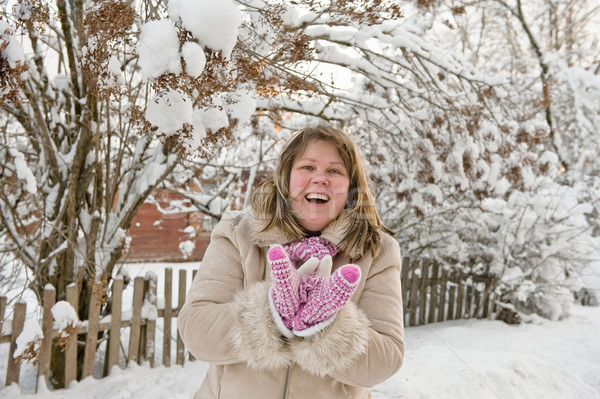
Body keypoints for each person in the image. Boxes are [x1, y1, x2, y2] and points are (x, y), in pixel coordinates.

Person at [178, 125, 404, 399]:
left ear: (351, 187)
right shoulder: (238, 233)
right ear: (286, 177)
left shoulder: (377, 250)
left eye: (334, 171)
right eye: (307, 167)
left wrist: (326, 322)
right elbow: (197, 330)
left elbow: (386, 359)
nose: (320, 178)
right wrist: (272, 313)